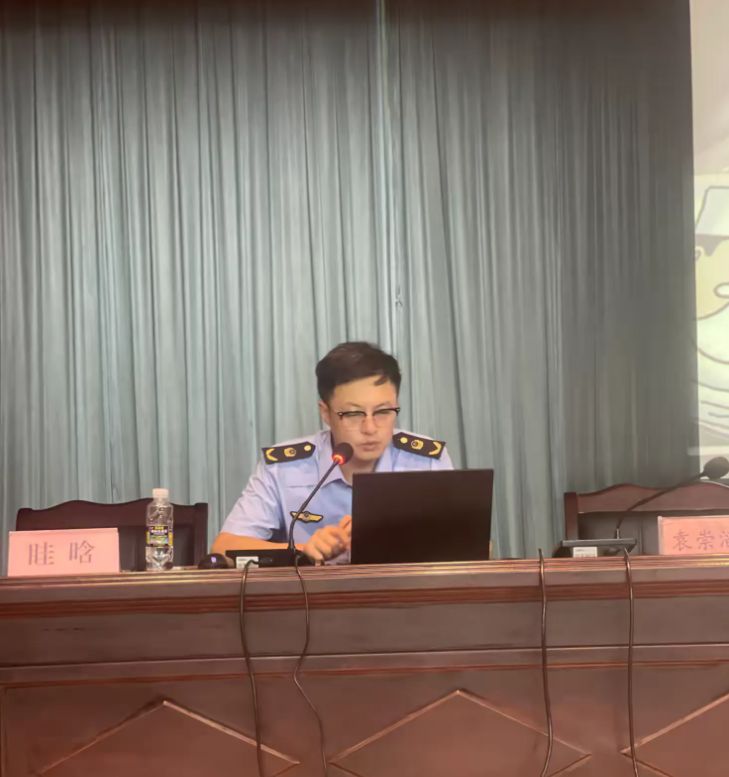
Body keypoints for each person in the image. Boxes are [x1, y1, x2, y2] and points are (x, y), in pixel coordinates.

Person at [211, 342, 453, 563]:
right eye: (353, 414)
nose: (370, 428)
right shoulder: (283, 468)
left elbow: (466, 547)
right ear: (325, 413)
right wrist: (302, 550)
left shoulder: (426, 462)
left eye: (383, 412)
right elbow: (223, 548)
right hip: (311, 596)